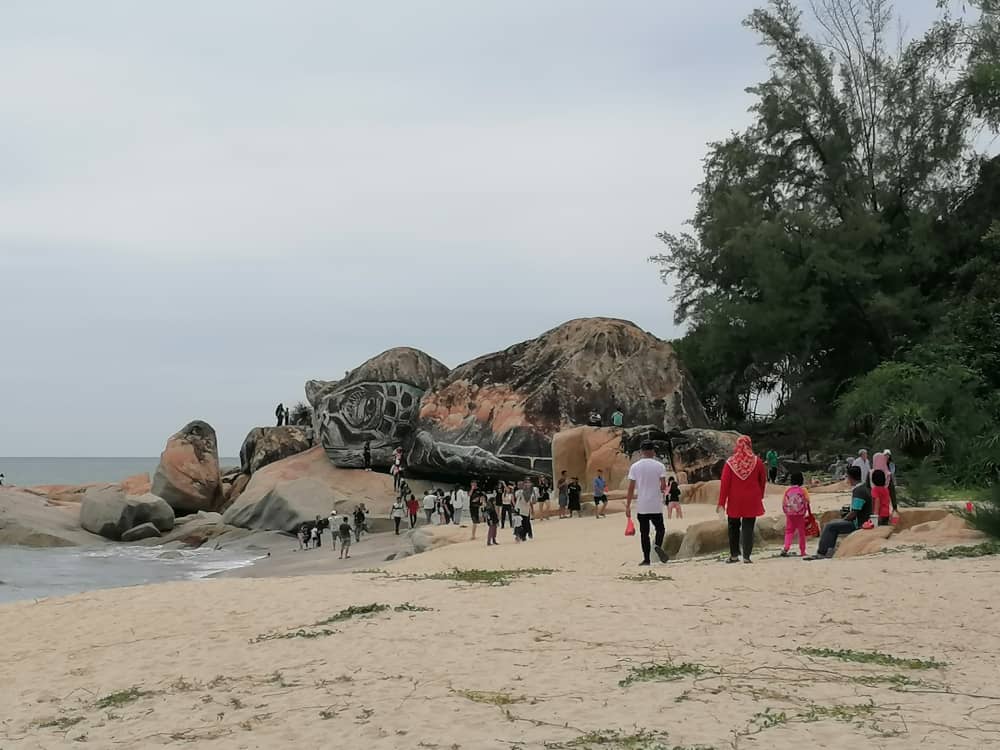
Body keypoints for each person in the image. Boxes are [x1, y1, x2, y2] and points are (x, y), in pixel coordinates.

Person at [717, 435, 767, 564]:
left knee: (733, 526)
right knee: (748, 527)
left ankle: (734, 555)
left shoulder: (730, 463)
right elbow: (762, 481)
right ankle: (746, 556)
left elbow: (725, 484)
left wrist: (721, 502)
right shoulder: (757, 462)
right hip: (752, 499)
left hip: (735, 500)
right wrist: (760, 496)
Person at [807, 465, 872, 559]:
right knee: (833, 524)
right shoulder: (864, 488)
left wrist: (844, 519)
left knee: (830, 526)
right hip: (864, 520)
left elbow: (854, 512)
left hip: (859, 523)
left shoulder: (858, 491)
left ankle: (822, 552)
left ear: (850, 477)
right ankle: (829, 550)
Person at [625, 440, 669, 566]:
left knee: (644, 533)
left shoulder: (635, 467)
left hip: (642, 505)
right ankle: (657, 546)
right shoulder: (659, 466)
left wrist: (628, 506)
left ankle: (646, 559)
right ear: (653, 451)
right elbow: (663, 486)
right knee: (660, 529)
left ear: (641, 451)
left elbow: (631, 488)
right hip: (655, 505)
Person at [780, 472, 811, 557]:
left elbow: (784, 502)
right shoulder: (803, 490)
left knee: (789, 531)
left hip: (790, 514)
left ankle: (786, 547)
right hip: (800, 514)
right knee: (801, 533)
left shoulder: (788, 490)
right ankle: (802, 551)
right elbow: (808, 500)